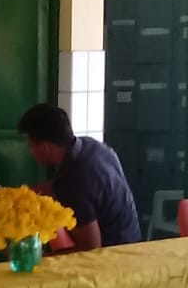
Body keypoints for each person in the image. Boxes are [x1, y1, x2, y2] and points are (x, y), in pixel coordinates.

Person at [16, 104, 141, 250]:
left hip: (114, 257)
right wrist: (11, 197)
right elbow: (55, 187)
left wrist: (37, 260)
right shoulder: (90, 146)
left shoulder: (75, 182)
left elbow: (90, 250)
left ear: (45, 147)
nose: (31, 152)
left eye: (31, 146)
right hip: (133, 241)